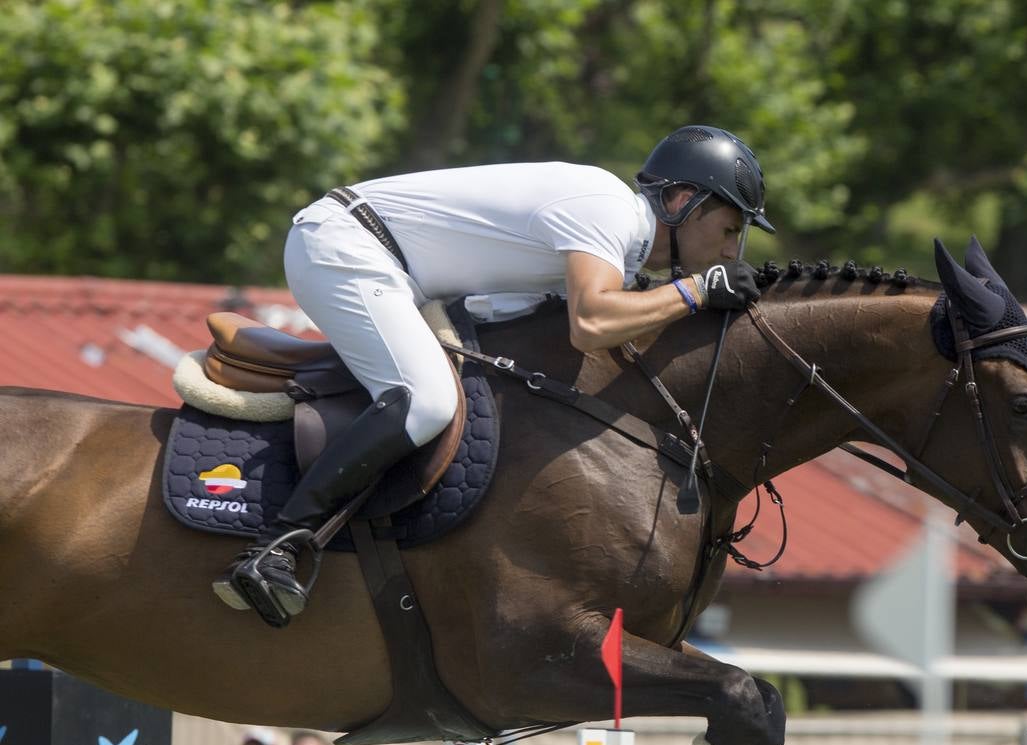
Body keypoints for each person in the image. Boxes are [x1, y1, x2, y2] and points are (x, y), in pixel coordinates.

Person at [212, 125, 775, 626]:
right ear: (681, 201)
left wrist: (685, 297)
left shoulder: (620, 253)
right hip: (346, 246)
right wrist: (697, 293)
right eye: (728, 230)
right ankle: (277, 544)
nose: (730, 249)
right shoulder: (607, 209)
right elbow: (591, 321)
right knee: (425, 400)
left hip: (394, 268)